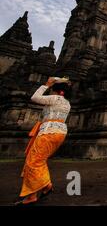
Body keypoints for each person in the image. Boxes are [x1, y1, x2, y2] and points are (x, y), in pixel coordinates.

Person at [15, 77, 71, 205]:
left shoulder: (55, 99)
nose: (51, 92)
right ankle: (41, 189)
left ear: (58, 91)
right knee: (38, 160)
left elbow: (35, 97)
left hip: (49, 132)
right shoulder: (67, 103)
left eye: (53, 90)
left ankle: (40, 190)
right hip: (59, 133)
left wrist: (46, 85)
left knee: (33, 162)